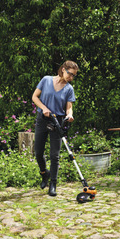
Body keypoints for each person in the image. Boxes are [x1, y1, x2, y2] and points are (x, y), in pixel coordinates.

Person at [32, 60, 78, 196]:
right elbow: (35, 97)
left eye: (74, 76)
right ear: (63, 69)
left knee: (55, 155)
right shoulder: (46, 80)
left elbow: (69, 108)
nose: (71, 77)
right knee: (38, 152)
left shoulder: (69, 89)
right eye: (70, 74)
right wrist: (44, 108)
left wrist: (69, 116)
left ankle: (53, 184)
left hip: (57, 121)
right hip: (42, 119)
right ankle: (44, 173)